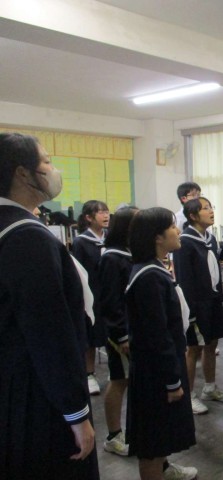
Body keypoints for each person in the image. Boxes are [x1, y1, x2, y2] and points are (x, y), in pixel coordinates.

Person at [0, 132, 99, 479]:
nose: (54, 170)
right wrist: (76, 413)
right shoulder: (27, 236)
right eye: (46, 161)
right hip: (37, 396)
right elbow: (49, 333)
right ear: (23, 173)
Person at [126, 207, 197, 479]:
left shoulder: (155, 269)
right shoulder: (149, 277)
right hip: (155, 373)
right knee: (152, 443)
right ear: (157, 237)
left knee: (161, 435)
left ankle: (165, 468)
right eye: (172, 227)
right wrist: (172, 381)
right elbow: (158, 336)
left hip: (161, 367)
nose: (178, 231)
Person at [173, 197, 223, 416]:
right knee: (193, 348)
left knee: (211, 343)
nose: (211, 211)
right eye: (206, 208)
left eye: (211, 207)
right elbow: (184, 280)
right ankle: (188, 395)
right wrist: (191, 313)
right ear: (193, 215)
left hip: (212, 300)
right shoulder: (185, 242)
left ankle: (209, 387)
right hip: (196, 305)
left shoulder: (210, 238)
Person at [99, 206, 138, 457]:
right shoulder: (112, 258)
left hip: (135, 330)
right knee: (119, 380)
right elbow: (110, 302)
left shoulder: (130, 253)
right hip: (121, 333)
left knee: (129, 380)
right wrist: (121, 335)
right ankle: (114, 435)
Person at [72, 199, 110, 395]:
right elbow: (79, 272)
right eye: (101, 212)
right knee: (91, 335)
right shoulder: (81, 242)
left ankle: (115, 369)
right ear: (88, 217)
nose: (106, 215)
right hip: (92, 293)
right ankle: (89, 374)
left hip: (109, 293)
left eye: (107, 211)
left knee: (111, 332)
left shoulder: (110, 238)